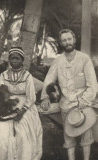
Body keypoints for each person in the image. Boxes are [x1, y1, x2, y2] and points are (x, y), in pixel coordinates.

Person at [40, 29, 97, 160]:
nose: (67, 43)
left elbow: (92, 85)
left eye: (69, 39)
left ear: (74, 40)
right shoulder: (58, 61)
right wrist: (45, 97)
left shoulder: (84, 59)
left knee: (86, 137)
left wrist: (84, 101)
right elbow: (49, 79)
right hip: (65, 104)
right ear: (61, 43)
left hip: (84, 104)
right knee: (69, 137)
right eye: (64, 40)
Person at [0, 47, 43, 160]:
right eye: (12, 58)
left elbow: (31, 97)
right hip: (7, 104)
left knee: (23, 133)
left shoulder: (27, 76)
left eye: (17, 58)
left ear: (22, 60)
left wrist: (22, 111)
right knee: (1, 132)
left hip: (25, 105)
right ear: (9, 60)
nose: (14, 61)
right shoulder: (4, 75)